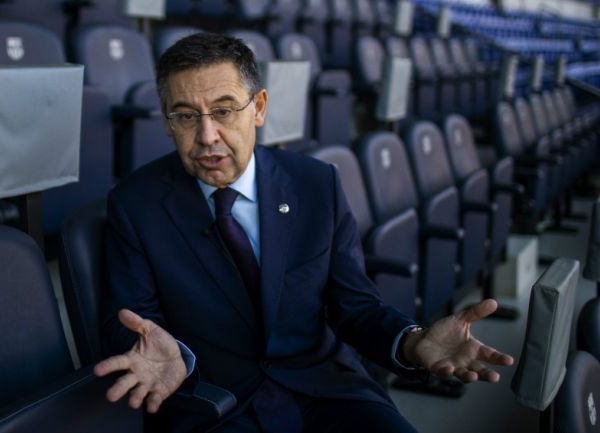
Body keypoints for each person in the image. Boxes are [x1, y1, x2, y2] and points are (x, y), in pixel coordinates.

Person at [94, 32, 514, 433]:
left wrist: (413, 342)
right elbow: (131, 320)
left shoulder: (317, 185)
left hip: (328, 390)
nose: (207, 136)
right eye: (186, 116)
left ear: (258, 107)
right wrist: (174, 355)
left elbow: (356, 307)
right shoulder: (135, 205)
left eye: (224, 111)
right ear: (167, 123)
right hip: (217, 405)